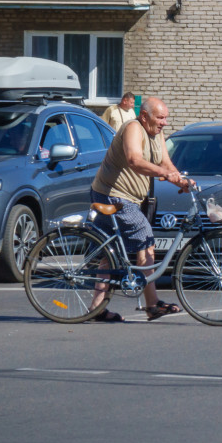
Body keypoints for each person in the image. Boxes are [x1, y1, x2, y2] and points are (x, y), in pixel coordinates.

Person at [89, 97, 194, 322]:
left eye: (166, 118)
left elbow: (166, 164)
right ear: (145, 116)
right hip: (112, 194)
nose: (165, 123)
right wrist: (164, 174)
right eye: (160, 118)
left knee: (112, 252)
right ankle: (153, 304)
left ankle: (96, 309)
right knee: (145, 237)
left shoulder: (157, 134)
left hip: (131, 198)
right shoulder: (133, 128)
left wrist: (181, 181)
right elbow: (134, 160)